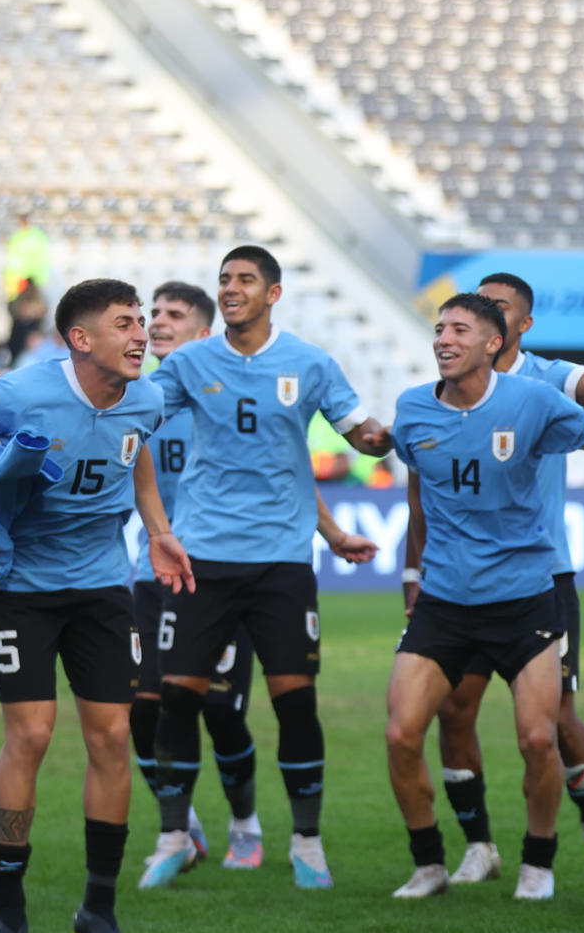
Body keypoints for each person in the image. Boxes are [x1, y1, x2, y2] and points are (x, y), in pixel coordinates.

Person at [0, 278, 193, 933]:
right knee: (31, 735)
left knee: (112, 736)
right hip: (21, 585)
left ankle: (98, 908)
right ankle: (7, 909)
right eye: (125, 324)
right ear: (81, 339)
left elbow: (139, 448)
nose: (140, 335)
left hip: (102, 586)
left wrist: (156, 528)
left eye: (142, 322)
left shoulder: (147, 396)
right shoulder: (21, 392)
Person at [139, 246, 393, 891]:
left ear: (272, 293)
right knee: (177, 698)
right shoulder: (191, 363)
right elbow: (137, 416)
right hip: (204, 557)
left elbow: (355, 430)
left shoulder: (309, 363)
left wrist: (381, 437)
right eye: (224, 280)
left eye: (244, 280)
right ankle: (173, 835)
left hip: (281, 562)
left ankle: (306, 842)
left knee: (296, 703)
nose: (231, 289)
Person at [386, 293, 584, 901]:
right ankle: (430, 861)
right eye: (439, 328)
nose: (444, 339)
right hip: (445, 602)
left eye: (459, 329)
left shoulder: (533, 400)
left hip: (526, 598)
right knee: (401, 734)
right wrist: (412, 576)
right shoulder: (413, 409)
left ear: (493, 343)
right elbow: (418, 498)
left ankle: (538, 861)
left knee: (538, 737)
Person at [129, 281, 297, 874]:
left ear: (205, 335)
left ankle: (245, 825)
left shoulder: (226, 400)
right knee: (143, 709)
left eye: (174, 315)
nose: (157, 323)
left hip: (219, 572)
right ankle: (183, 828)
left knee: (221, 711)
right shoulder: (131, 400)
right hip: (146, 579)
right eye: (152, 314)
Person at [3, 214, 51, 303]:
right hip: (21, 277)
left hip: (32, 276)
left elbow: (42, 257)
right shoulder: (17, 237)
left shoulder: (37, 236)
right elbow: (12, 258)